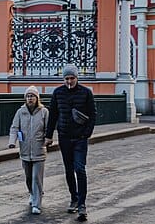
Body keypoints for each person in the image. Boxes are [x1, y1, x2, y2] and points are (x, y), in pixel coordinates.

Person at [46, 64, 96, 221]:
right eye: (66, 79)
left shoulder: (86, 93)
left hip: (80, 138)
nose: (69, 81)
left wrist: (87, 133)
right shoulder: (58, 93)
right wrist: (49, 136)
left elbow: (92, 114)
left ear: (77, 78)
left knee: (80, 169)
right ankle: (74, 198)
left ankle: (82, 205)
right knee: (68, 169)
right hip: (65, 136)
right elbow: (53, 114)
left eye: (72, 78)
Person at [9, 86, 50, 215]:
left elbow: (48, 128)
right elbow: (14, 127)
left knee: (36, 177)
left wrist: (48, 139)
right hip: (25, 150)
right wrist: (12, 141)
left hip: (39, 149)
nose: (30, 98)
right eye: (28, 96)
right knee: (28, 177)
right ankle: (32, 193)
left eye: (32, 96)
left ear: (37, 98)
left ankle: (37, 204)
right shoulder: (20, 112)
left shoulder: (44, 112)